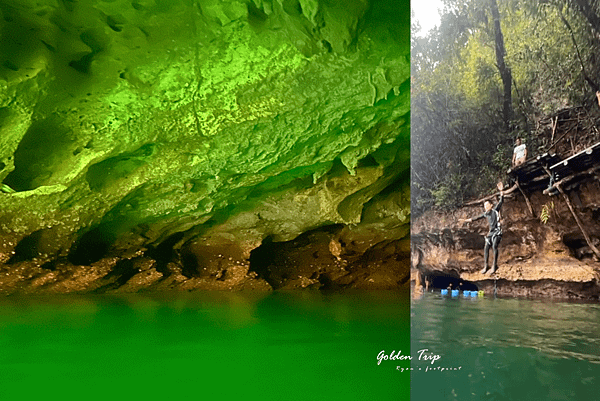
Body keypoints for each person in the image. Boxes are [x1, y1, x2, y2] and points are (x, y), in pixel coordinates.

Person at [461, 182, 504, 274]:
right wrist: (466, 220)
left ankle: (494, 266)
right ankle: (485, 266)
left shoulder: (495, 210)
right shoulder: (486, 214)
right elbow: (476, 218)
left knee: (494, 246)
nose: (486, 207)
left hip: (497, 232)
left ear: (491, 206)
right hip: (491, 232)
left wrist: (501, 191)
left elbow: (501, 201)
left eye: (487, 205)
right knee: (486, 247)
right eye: (485, 206)